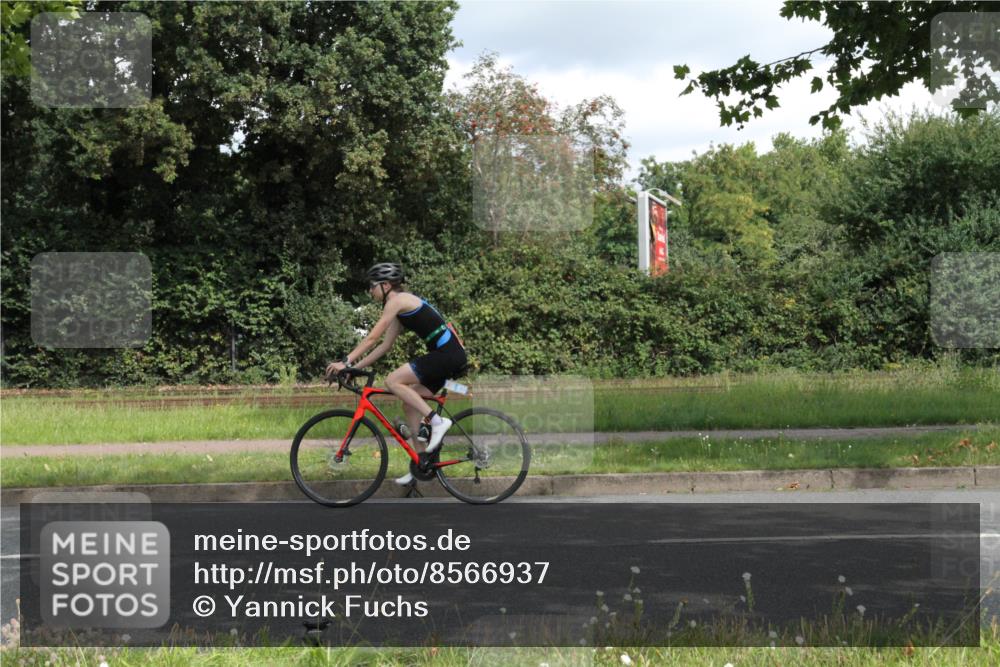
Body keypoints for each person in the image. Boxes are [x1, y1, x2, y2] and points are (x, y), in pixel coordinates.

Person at [325, 262, 468, 485]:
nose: (369, 291)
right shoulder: (399, 307)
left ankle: (437, 422)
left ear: (385, 285)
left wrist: (346, 362)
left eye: (372, 286)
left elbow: (371, 338)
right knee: (410, 404)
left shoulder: (397, 301)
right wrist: (356, 368)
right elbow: (384, 346)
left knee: (393, 381)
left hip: (447, 354)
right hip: (447, 355)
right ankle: (421, 464)